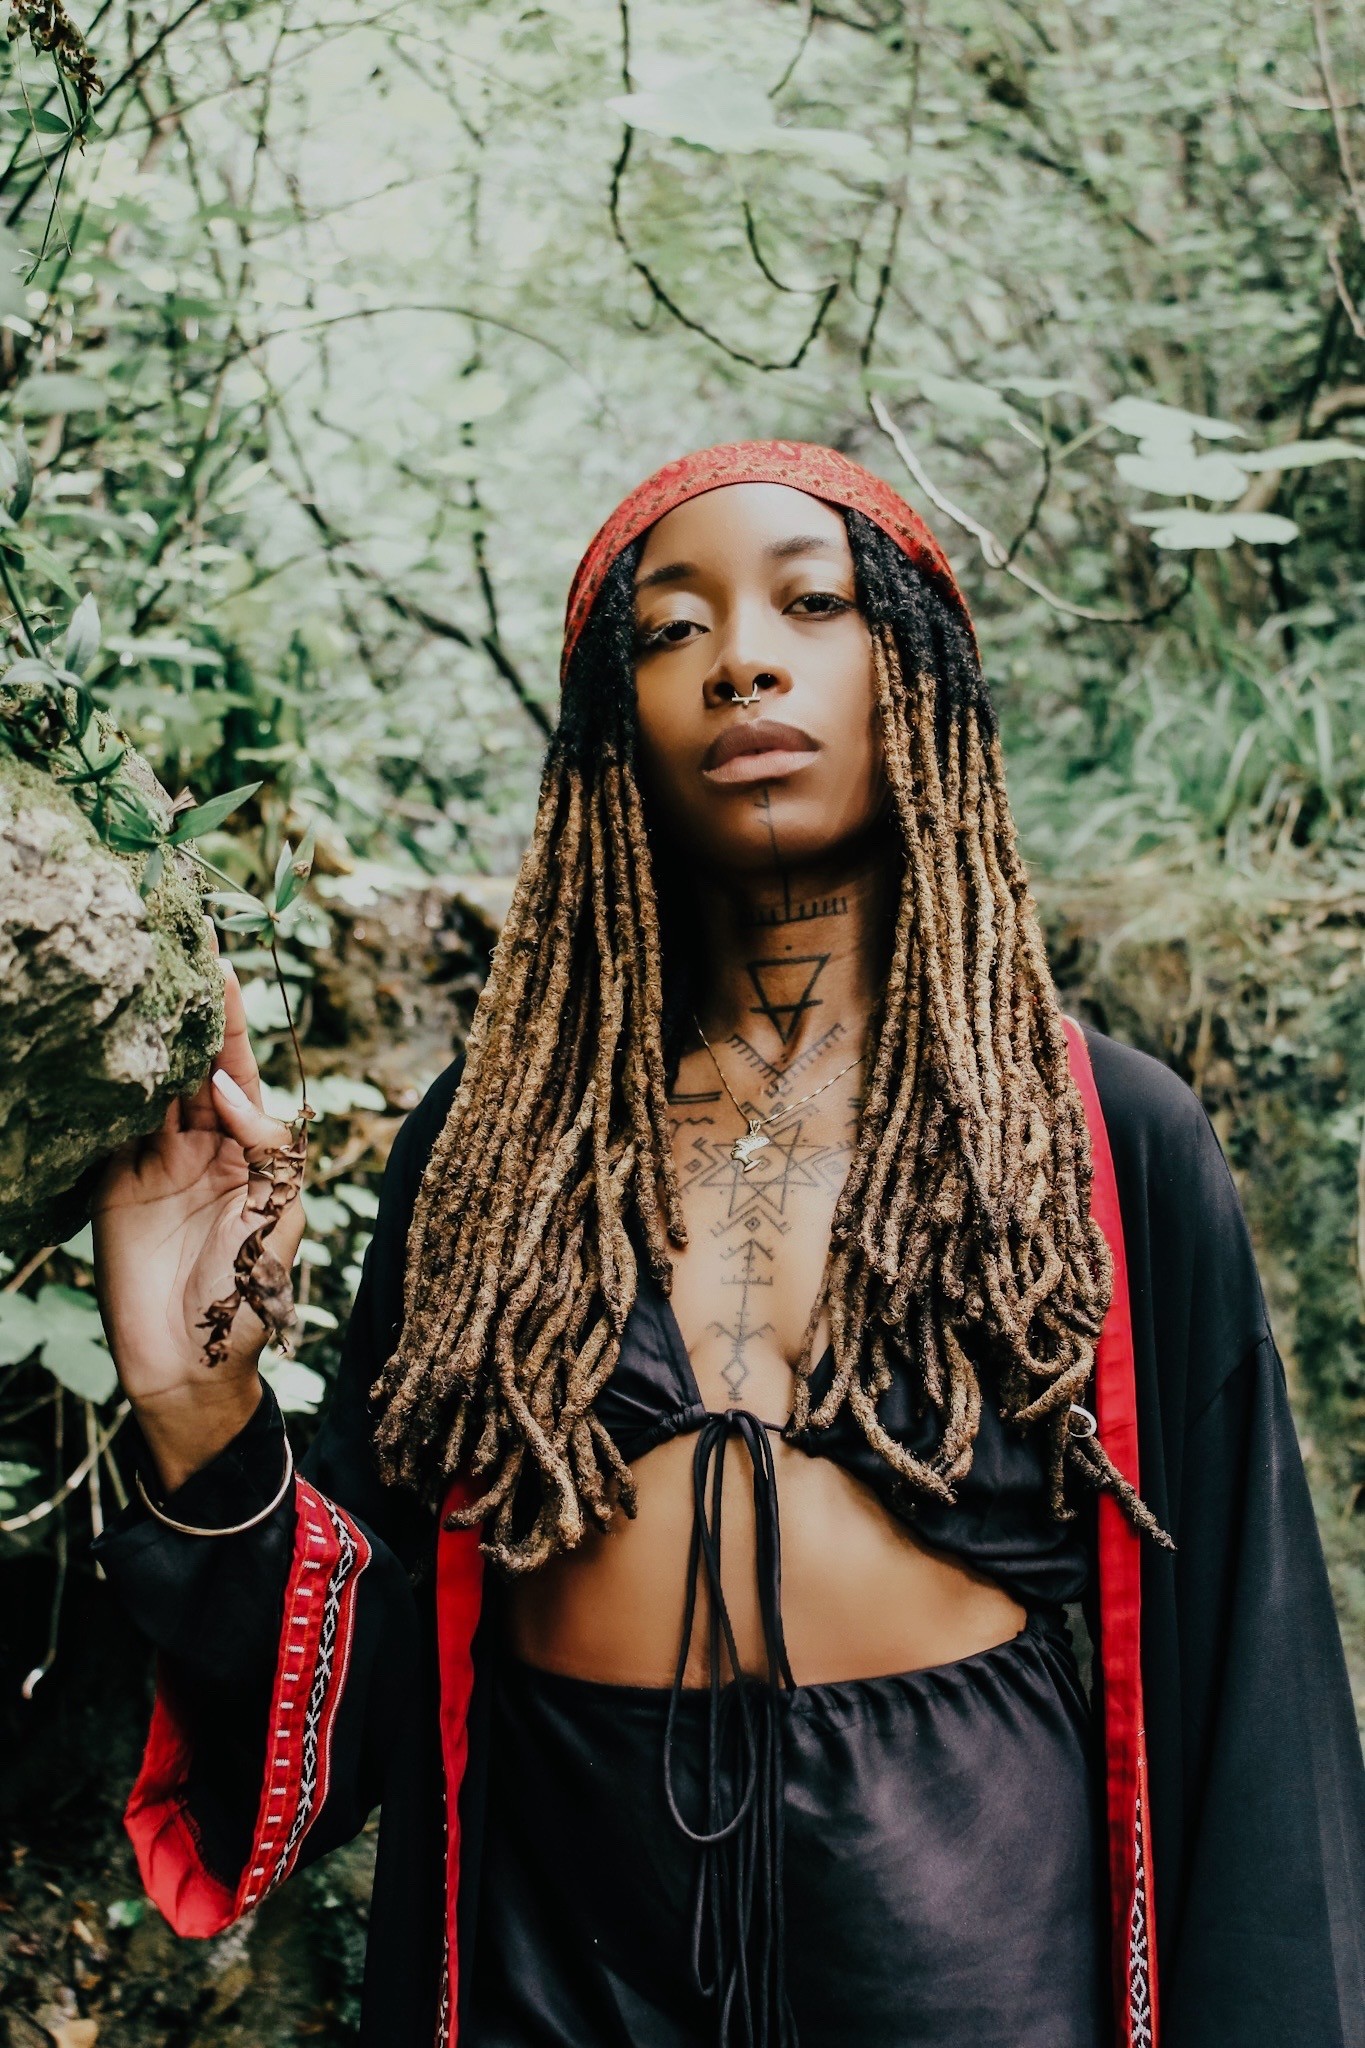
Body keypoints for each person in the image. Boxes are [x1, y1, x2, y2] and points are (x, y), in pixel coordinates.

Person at [91, 442, 1365, 2048]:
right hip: (560, 1941)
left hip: (970, 1934)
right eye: (666, 630)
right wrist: (193, 1402)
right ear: (606, 737)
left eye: (809, 603)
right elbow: (356, 1711)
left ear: (920, 679)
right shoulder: (493, 1150)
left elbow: (1251, 1691)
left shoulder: (1099, 1136)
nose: (740, 656)